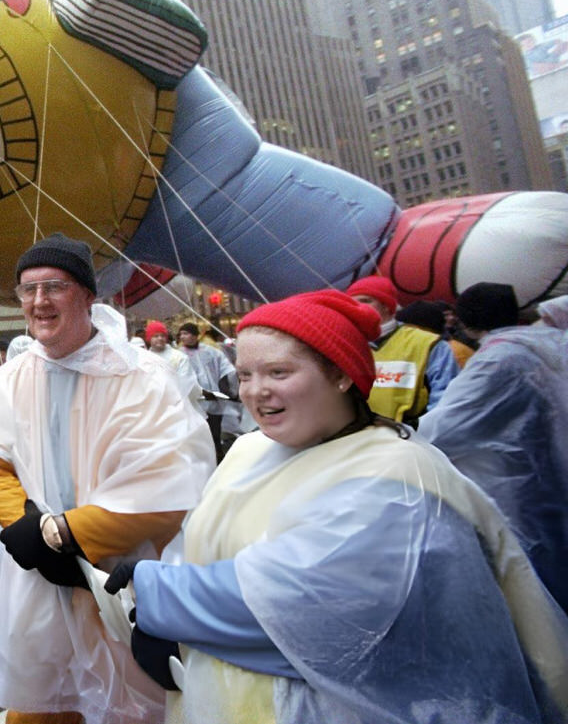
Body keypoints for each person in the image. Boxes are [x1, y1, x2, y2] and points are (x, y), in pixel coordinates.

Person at [105, 290, 568, 723]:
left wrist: (156, 594)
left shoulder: (395, 478)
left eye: (279, 373)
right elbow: (203, 541)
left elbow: (304, 603)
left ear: (342, 373)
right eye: (245, 375)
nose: (255, 391)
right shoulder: (252, 449)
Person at [0, 234, 214, 723]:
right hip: (40, 577)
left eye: (54, 286)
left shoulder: (140, 375)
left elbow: (170, 481)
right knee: (44, 697)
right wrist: (28, 528)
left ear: (87, 294)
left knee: (132, 701)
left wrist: (68, 535)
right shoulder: (17, 374)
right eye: (27, 289)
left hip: (120, 579)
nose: (39, 301)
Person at [421, 283, 568, 610]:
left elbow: (444, 428)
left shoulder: (497, 358)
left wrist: (393, 437)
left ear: (464, 319)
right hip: (551, 470)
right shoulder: (550, 341)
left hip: (526, 488)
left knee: (545, 579)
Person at [345, 274, 457, 427]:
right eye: (352, 302)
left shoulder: (428, 344)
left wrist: (416, 434)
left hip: (409, 440)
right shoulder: (345, 345)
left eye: (366, 301)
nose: (358, 307)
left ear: (386, 306)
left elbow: (446, 403)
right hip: (355, 441)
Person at [176, 322, 238, 454]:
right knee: (200, 435)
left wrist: (225, 389)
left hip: (214, 400)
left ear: (195, 335)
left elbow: (226, 369)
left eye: (185, 333)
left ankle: (218, 458)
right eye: (181, 334)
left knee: (215, 433)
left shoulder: (211, 352)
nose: (182, 337)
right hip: (195, 402)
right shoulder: (178, 356)